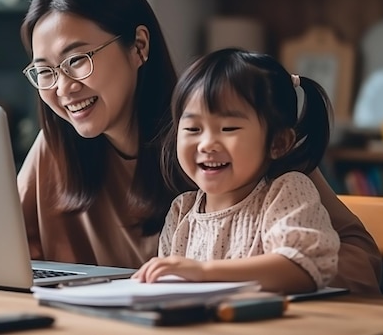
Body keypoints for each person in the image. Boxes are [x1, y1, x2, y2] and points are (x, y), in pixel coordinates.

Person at [17, 0, 382, 294]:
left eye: (77, 60)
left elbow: (356, 258)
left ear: (139, 46)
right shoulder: (54, 147)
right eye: (45, 71)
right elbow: (1, 255)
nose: (63, 88)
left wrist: (236, 277)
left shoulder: (224, 136)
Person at [133, 48, 339, 293]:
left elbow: (303, 268)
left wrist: (203, 273)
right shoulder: (182, 212)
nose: (207, 143)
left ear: (278, 142)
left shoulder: (286, 192)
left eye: (228, 128)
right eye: (193, 129)